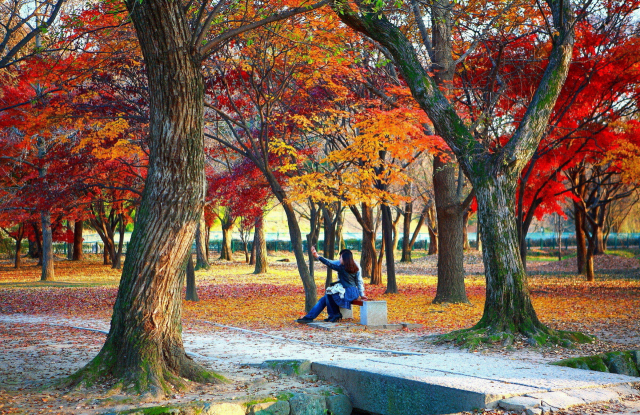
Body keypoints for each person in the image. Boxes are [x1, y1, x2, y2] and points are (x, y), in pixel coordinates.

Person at [296, 247, 367, 323]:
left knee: (329, 295)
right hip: (352, 292)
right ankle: (315, 316)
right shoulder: (352, 267)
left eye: (340, 258)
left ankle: (334, 314)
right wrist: (317, 256)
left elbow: (329, 264)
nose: (339, 259)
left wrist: (362, 294)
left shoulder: (344, 268)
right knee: (327, 296)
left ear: (345, 259)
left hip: (348, 293)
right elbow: (331, 262)